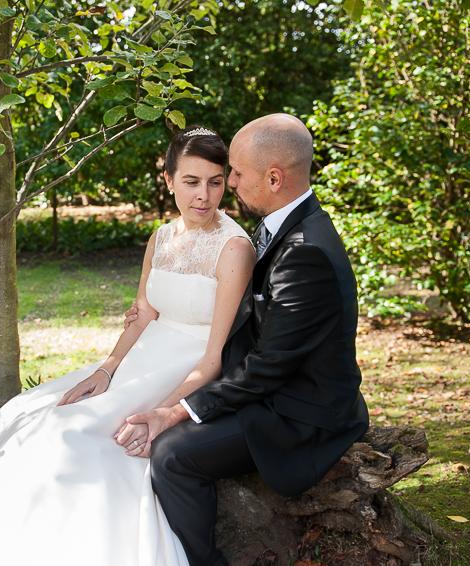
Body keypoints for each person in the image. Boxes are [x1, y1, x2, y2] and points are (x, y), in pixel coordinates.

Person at [0, 126, 256, 566]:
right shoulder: (162, 237)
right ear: (167, 180)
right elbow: (144, 313)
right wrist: (105, 370)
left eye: (215, 182)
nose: (204, 195)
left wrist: (163, 413)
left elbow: (213, 358)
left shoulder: (234, 248)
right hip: (140, 360)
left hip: (183, 371)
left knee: (73, 441)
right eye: (191, 181)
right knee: (29, 417)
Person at [121, 113, 370, 565]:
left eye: (235, 173)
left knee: (174, 455)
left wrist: (179, 410)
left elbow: (271, 365)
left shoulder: (304, 252)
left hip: (301, 412)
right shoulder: (285, 224)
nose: (228, 182)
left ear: (274, 178)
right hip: (270, 386)